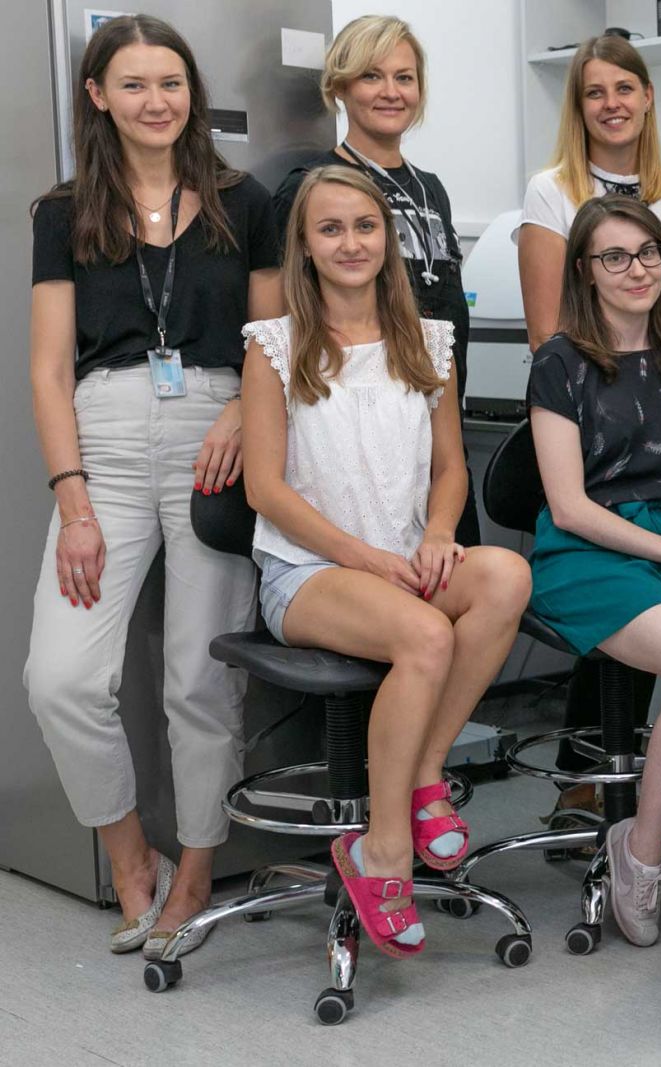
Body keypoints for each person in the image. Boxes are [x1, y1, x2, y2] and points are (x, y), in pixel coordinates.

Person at [24, 14, 281, 961]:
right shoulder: (64, 213)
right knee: (58, 678)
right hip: (108, 443)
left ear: (192, 94)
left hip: (220, 436)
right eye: (133, 84)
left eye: (170, 82)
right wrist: (74, 500)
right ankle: (129, 857)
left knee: (198, 682)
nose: (156, 101)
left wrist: (238, 418)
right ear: (97, 96)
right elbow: (49, 370)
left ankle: (196, 874)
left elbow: (272, 339)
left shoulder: (244, 199)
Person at [239, 166, 531, 960]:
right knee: (426, 638)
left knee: (506, 575)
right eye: (330, 229)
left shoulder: (427, 341)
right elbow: (265, 487)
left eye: (365, 227)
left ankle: (427, 766)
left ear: (388, 239)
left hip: (405, 561)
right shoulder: (275, 347)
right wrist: (365, 556)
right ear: (304, 244)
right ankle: (385, 844)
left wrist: (439, 532)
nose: (350, 243)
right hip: (309, 572)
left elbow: (449, 470)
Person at [527, 195, 661, 948]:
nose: (636, 268)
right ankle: (640, 849)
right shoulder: (559, 361)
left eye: (649, 252)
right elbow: (571, 506)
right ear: (585, 271)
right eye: (614, 256)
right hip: (582, 553)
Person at [272, 13, 480, 546]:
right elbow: (277, 320)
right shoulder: (313, 186)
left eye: (404, 77)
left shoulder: (431, 188)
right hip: (358, 444)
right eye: (371, 76)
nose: (391, 92)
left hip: (436, 429)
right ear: (339, 87)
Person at [517, 31, 661, 493]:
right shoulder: (550, 192)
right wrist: (619, 411)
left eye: (624, 88)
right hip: (594, 428)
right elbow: (545, 334)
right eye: (595, 92)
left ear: (648, 96)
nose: (612, 104)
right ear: (579, 106)